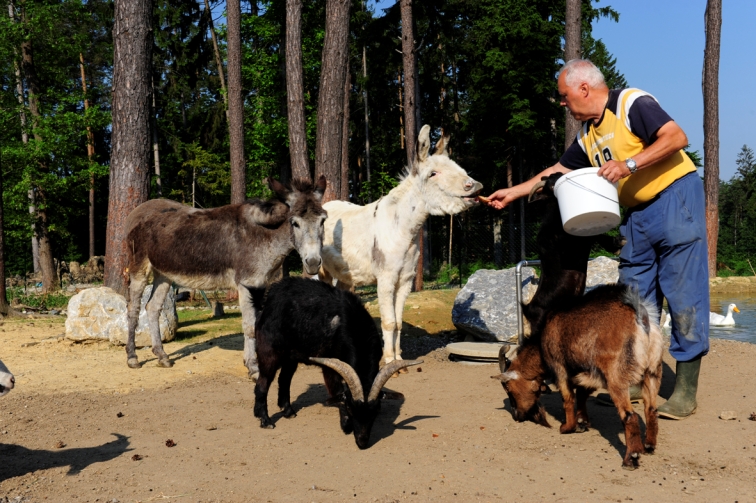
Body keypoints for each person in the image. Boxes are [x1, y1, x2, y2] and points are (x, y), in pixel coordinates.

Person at [485, 59, 709, 420]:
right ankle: (636, 379)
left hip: (674, 198)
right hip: (635, 213)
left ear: (584, 88)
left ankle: (684, 391)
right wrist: (513, 192)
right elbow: (556, 172)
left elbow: (676, 138)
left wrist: (629, 165)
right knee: (633, 297)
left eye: (563, 95)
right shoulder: (587, 134)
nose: (562, 102)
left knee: (684, 294)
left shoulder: (631, 104)